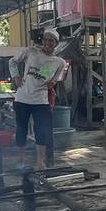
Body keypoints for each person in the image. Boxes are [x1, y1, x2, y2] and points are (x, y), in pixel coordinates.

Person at [8, 29, 65, 170]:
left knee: (41, 132)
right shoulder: (31, 52)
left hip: (41, 101)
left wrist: (53, 82)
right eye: (46, 39)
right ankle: (20, 159)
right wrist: (15, 76)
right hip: (22, 98)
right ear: (42, 40)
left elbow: (56, 78)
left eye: (51, 40)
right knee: (21, 130)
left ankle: (40, 162)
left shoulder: (59, 62)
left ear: (56, 44)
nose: (47, 42)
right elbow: (12, 61)